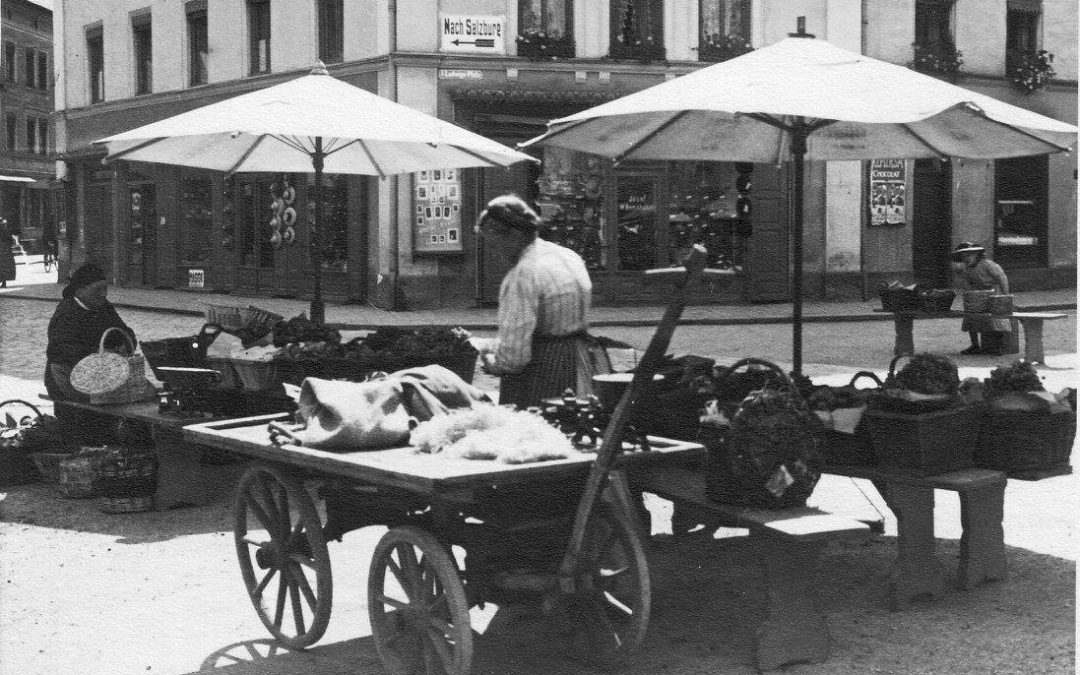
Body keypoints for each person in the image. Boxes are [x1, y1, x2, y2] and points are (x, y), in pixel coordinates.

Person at [475, 194, 609, 409]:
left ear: (514, 235)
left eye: (495, 244)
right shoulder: (568, 256)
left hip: (544, 371)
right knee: (577, 421)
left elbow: (514, 357)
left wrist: (491, 362)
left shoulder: (523, 274)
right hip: (581, 362)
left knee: (540, 425)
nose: (496, 253)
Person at [45, 263, 137, 443]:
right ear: (80, 290)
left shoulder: (104, 307)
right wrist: (99, 354)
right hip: (67, 380)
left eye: (105, 289)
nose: (103, 294)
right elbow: (61, 351)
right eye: (98, 289)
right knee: (89, 430)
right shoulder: (67, 313)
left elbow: (124, 332)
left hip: (102, 377)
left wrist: (126, 345)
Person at [951, 242, 1011, 355]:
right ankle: (975, 345)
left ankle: (999, 346)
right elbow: (966, 284)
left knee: (996, 319)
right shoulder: (966, 269)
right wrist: (968, 295)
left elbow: (1001, 277)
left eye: (969, 256)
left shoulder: (988, 265)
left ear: (977, 255)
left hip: (994, 292)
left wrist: (1005, 295)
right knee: (970, 317)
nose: (966, 259)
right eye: (964, 257)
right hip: (978, 294)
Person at [0, 218, 16, 288]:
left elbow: (11, 241)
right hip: (6, 251)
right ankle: (4, 282)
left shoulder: (6, 232)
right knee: (5, 267)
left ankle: (3, 282)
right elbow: (11, 241)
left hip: (4, 251)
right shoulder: (6, 232)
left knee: (3, 267)